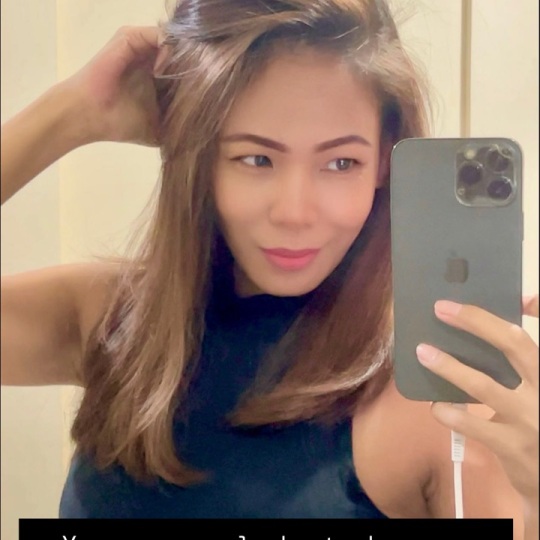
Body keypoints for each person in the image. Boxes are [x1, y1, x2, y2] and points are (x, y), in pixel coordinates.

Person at [1, 0, 538, 534]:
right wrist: (72, 115)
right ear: (201, 161)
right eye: (256, 158)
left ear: (384, 162)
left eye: (341, 162)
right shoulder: (113, 319)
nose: (294, 213)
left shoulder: (434, 396)